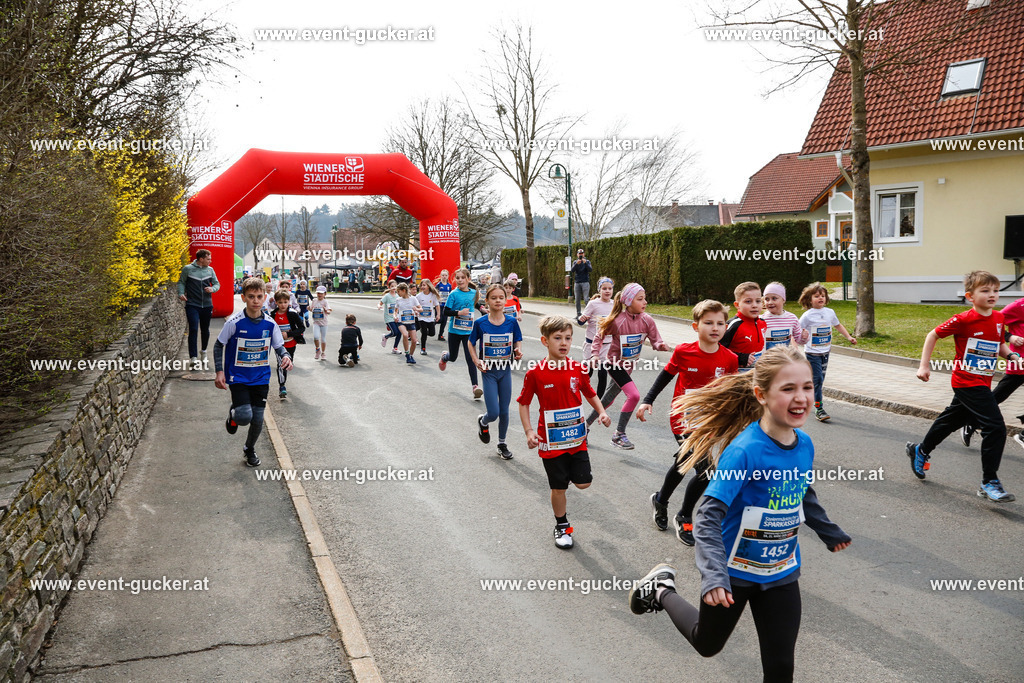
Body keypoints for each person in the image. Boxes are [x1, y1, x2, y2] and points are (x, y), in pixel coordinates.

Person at [628, 345, 851, 682]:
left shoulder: (804, 443)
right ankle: (660, 590)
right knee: (707, 644)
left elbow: (802, 489)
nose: (801, 397)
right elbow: (707, 517)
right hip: (734, 572)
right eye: (788, 389)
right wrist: (714, 575)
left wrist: (827, 530)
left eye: (807, 387)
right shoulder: (744, 452)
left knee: (780, 667)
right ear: (761, 394)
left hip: (780, 570)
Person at [908, 270, 1020, 502]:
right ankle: (989, 482)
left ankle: (921, 449)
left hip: (983, 379)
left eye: (996, 290)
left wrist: (1012, 356)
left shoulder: (999, 318)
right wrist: (924, 366)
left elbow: (999, 344)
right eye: (985, 290)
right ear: (970, 296)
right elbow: (932, 335)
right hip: (966, 381)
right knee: (996, 427)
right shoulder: (963, 319)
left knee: (951, 420)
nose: (992, 295)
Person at [636, 300, 739, 544]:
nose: (715, 328)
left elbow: (730, 393)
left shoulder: (730, 359)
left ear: (726, 327)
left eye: (720, 323)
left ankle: (660, 500)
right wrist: (647, 400)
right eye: (708, 323)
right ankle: (684, 517)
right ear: (696, 326)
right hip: (683, 419)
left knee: (683, 464)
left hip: (709, 421)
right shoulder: (684, 351)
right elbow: (665, 376)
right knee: (705, 472)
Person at [518, 315, 611, 549]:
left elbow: (589, 392)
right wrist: (529, 431)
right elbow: (524, 402)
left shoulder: (578, 369)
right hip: (550, 441)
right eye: (557, 338)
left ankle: (566, 475)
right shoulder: (536, 373)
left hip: (576, 438)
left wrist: (600, 411)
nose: (563, 343)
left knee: (584, 484)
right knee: (558, 487)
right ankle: (562, 525)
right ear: (544, 341)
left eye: (568, 338)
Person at [214, 277, 293, 467]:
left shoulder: (270, 324)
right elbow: (219, 345)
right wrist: (219, 371)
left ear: (264, 297)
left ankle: (249, 449)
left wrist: (285, 356)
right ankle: (233, 415)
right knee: (244, 416)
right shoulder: (234, 322)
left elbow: (279, 346)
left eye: (259, 296)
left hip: (261, 377)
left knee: (257, 419)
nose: (255, 301)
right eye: (251, 297)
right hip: (238, 377)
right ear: (243, 298)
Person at [586, 283, 670, 449]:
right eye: (640, 299)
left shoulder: (647, 320)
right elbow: (599, 336)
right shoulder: (618, 321)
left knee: (607, 400)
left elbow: (655, 340)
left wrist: (660, 345)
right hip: (614, 364)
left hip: (628, 366)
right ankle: (619, 434)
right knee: (634, 396)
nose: (645, 302)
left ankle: (584, 427)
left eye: (645, 298)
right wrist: (595, 354)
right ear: (629, 301)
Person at [468, 284, 524, 460]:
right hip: (489, 371)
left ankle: (502, 443)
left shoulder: (511, 321)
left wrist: (518, 350)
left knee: (505, 411)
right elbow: (471, 343)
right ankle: (483, 422)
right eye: (494, 298)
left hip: (504, 370)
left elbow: (518, 339)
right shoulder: (480, 323)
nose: (498, 300)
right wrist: (477, 361)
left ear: (504, 300)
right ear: (487, 301)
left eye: (501, 297)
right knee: (493, 412)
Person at [962, 295, 1024, 449]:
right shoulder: (1018, 306)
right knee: (997, 397)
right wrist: (1010, 337)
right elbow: (994, 323)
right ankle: (971, 422)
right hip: (1019, 362)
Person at [798, 282, 857, 422]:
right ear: (809, 299)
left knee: (819, 381)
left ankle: (805, 395)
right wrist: (800, 338)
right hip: (812, 353)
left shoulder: (830, 312)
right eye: (817, 296)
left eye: (823, 296)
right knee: (817, 380)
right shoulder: (807, 316)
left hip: (826, 352)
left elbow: (837, 325)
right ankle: (819, 408)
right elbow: (797, 330)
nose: (820, 298)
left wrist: (849, 337)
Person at [438, 268, 483, 399]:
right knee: (453, 357)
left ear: (468, 279)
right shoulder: (453, 294)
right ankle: (445, 357)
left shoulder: (474, 293)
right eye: (457, 278)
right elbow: (446, 311)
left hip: (468, 331)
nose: (460, 280)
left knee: (470, 359)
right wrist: (458, 313)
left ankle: (475, 387)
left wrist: (483, 309)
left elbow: (476, 304)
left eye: (463, 277)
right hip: (454, 330)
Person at [178, 249, 220, 370]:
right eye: (208, 259)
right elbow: (181, 282)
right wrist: (181, 293)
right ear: (201, 259)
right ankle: (193, 358)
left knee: (205, 330)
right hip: (192, 304)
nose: (210, 261)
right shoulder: (188, 269)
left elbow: (217, 284)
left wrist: (213, 289)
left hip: (207, 305)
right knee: (193, 329)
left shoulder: (210, 270)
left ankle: (204, 352)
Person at [579, 276, 614, 398]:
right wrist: (582, 319)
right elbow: (581, 322)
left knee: (603, 373)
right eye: (604, 288)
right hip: (591, 343)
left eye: (610, 288)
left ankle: (599, 402)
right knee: (588, 372)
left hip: (607, 345)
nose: (607, 291)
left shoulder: (614, 304)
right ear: (599, 290)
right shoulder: (593, 304)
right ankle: (576, 395)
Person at [721, 282, 767, 372]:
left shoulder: (762, 322)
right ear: (737, 305)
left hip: (756, 374)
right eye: (748, 301)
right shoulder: (733, 325)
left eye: (758, 301)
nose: (754, 305)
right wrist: (741, 358)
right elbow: (718, 350)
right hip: (735, 376)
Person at [272, 291, 304, 399]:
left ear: (289, 302)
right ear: (276, 302)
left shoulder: (292, 314)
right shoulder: (273, 314)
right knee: (281, 365)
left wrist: (288, 334)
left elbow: (301, 328)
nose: (283, 305)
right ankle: (282, 386)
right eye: (280, 302)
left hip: (291, 344)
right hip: (279, 346)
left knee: (287, 364)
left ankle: (283, 381)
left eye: (285, 302)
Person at [761, 282, 805, 350]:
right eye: (767, 299)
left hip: (784, 358)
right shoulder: (761, 319)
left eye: (774, 298)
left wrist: (804, 337)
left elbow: (799, 341)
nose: (770, 302)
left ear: (783, 299)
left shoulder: (792, 318)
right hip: (767, 359)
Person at [394, 282, 422, 365]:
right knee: (405, 335)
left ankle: (410, 355)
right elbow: (395, 311)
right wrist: (395, 317)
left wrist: (416, 309)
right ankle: (406, 353)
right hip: (401, 321)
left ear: (403, 290)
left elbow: (421, 309)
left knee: (414, 340)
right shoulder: (398, 300)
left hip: (411, 321)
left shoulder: (413, 299)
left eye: (398, 292)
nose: (397, 294)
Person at [416, 279, 441, 355]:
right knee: (424, 334)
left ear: (428, 286)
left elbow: (437, 305)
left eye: (424, 285)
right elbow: (415, 305)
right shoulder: (419, 296)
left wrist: (438, 314)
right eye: (421, 285)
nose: (422, 287)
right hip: (421, 317)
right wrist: (417, 310)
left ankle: (423, 331)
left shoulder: (432, 295)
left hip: (430, 318)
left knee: (432, 333)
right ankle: (423, 349)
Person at [378, 280, 401, 354]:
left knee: (399, 333)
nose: (394, 288)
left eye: (395, 286)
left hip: (396, 317)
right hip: (388, 318)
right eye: (392, 286)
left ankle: (395, 348)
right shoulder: (387, 296)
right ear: (389, 287)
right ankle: (386, 337)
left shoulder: (398, 296)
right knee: (394, 332)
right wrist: (379, 306)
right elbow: (380, 303)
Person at [309, 286, 332, 361]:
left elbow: (329, 311)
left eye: (321, 293)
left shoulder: (325, 302)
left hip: (324, 323)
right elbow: (311, 309)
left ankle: (323, 353)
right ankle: (317, 350)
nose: (319, 295)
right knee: (316, 337)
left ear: (325, 294)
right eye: (318, 293)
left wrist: (326, 311)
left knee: (323, 339)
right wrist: (308, 308)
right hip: (316, 322)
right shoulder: (314, 301)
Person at [571, 248, 593, 319]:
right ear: (577, 255)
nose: (581, 255)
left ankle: (588, 314)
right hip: (577, 282)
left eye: (582, 254)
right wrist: (577, 264)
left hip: (585, 282)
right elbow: (572, 270)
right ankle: (578, 314)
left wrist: (585, 263)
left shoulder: (587, 261)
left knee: (586, 299)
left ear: (584, 254)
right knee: (577, 299)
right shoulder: (575, 262)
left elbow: (590, 270)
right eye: (579, 254)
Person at [435, 270, 452, 342]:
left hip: (446, 305)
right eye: (443, 275)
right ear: (440, 276)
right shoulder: (438, 285)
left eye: (446, 275)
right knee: (439, 319)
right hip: (439, 305)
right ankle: (429, 327)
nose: (444, 277)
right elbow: (435, 293)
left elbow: (450, 295)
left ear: (448, 276)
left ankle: (440, 335)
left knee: (444, 321)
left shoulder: (449, 285)